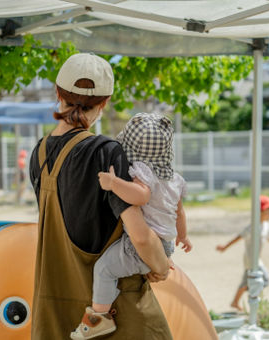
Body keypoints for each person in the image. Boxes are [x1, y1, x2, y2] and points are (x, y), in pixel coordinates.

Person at [29, 53, 172, 340]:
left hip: (57, 311)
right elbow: (140, 236)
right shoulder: (105, 152)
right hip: (116, 316)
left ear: (58, 93)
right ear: (105, 102)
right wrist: (162, 266)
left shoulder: (39, 154)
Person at [70, 113, 192, 339]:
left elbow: (141, 196)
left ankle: (99, 318)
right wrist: (183, 237)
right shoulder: (175, 179)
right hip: (164, 246)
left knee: (104, 269)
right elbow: (179, 212)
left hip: (140, 247)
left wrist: (114, 183)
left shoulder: (143, 172)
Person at [216, 195, 269, 311]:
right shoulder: (252, 227)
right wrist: (225, 247)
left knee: (247, 281)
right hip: (250, 259)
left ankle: (236, 301)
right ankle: (252, 297)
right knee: (265, 279)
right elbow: (238, 237)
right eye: (267, 212)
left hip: (257, 258)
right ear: (258, 212)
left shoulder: (266, 226)